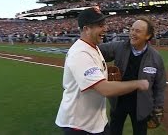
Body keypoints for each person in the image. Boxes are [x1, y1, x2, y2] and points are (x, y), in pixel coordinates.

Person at [55, 7, 149, 135]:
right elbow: (104, 89)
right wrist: (138, 83)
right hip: (79, 125)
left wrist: (107, 77)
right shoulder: (80, 53)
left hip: (96, 121)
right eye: (100, 25)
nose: (105, 29)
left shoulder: (94, 47)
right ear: (86, 29)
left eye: (104, 25)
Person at [99, 17, 167, 135]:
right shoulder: (119, 47)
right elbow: (97, 50)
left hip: (141, 105)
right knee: (114, 131)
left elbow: (160, 85)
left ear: (148, 36)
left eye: (138, 31)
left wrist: (158, 107)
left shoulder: (156, 58)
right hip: (119, 101)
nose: (132, 34)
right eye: (132, 30)